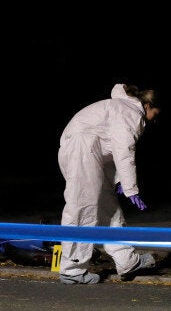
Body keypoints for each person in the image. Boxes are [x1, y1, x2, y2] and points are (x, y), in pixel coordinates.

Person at [57, 83, 162, 284]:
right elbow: (123, 151)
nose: (154, 120)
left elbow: (110, 145)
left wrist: (120, 180)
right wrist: (131, 189)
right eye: (155, 113)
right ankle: (72, 270)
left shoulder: (119, 107)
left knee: (108, 209)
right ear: (147, 105)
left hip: (85, 152)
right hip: (82, 152)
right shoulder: (130, 112)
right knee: (82, 209)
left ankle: (126, 260)